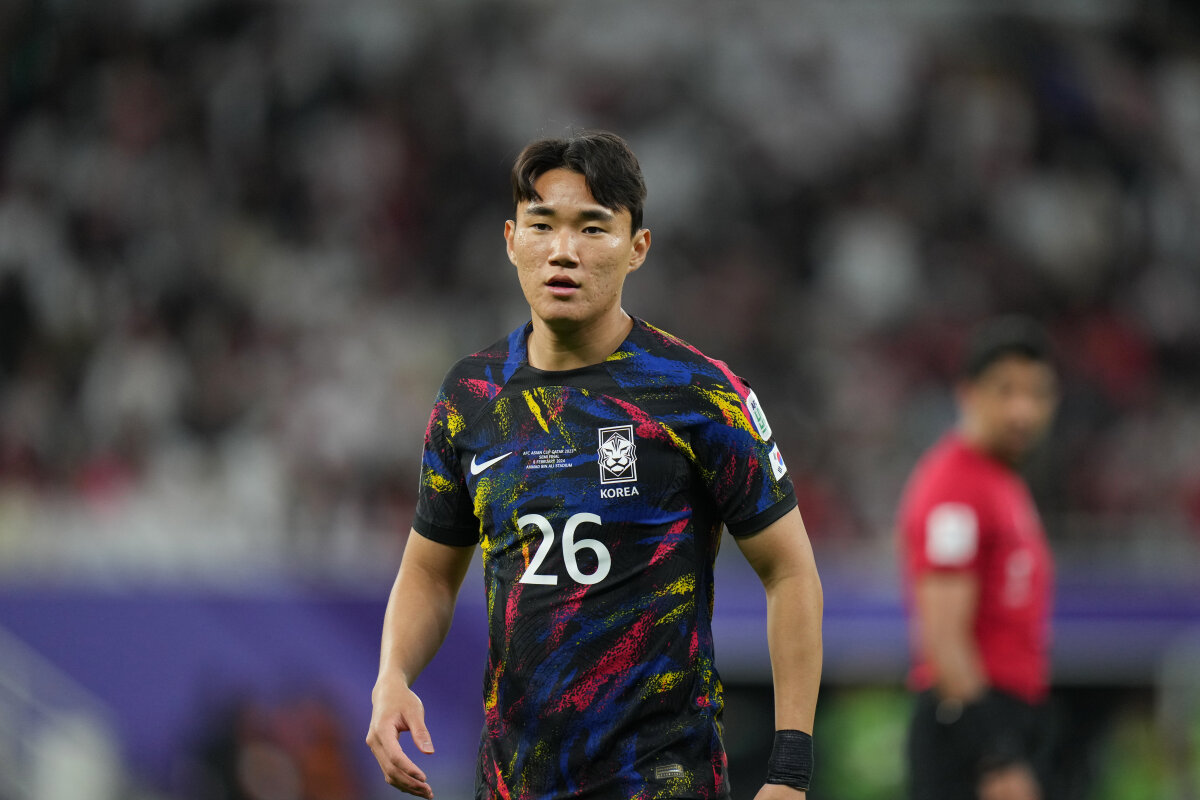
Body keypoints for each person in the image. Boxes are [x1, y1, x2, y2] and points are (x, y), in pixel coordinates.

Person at [365, 130, 823, 800]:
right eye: (542, 225)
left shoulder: (700, 395)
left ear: (637, 247)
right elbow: (430, 574)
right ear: (511, 240)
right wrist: (392, 678)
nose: (564, 250)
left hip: (661, 781)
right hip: (513, 784)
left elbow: (790, 571)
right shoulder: (472, 396)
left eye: (593, 228)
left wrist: (789, 772)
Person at [896, 317, 1060, 800]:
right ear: (968, 394)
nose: (1022, 411)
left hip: (1002, 718)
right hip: (970, 732)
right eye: (1006, 391)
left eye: (1037, 394)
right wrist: (997, 755)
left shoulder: (999, 481)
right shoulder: (956, 488)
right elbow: (945, 639)